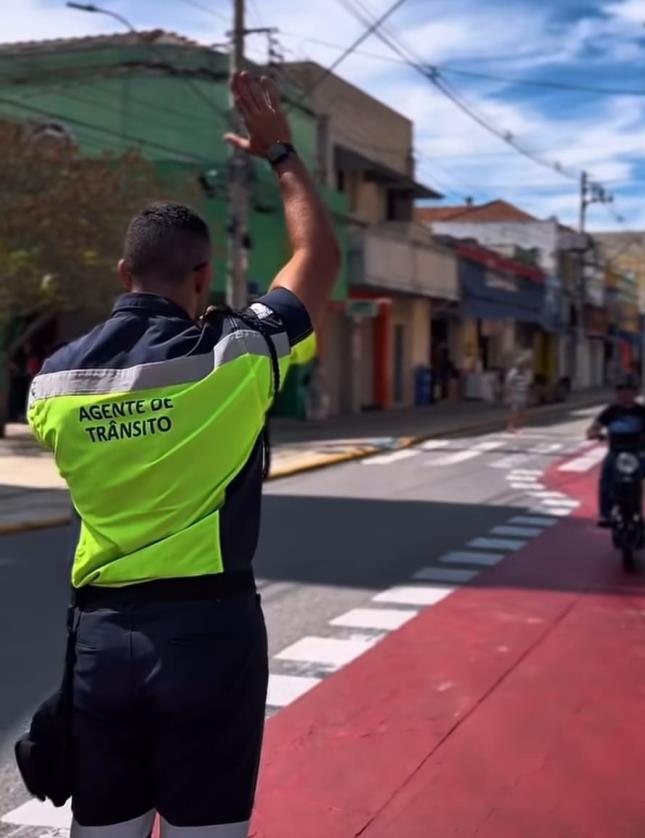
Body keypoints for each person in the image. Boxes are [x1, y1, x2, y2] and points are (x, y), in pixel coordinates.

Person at [26, 71, 340, 837]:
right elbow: (318, 258)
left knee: (105, 828)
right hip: (211, 635)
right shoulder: (236, 355)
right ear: (203, 277)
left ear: (122, 274)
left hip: (100, 640)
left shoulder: (53, 381)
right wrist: (283, 155)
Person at [586, 376, 645, 529]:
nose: (624, 394)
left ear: (635, 393)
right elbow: (595, 426)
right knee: (606, 476)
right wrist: (593, 432)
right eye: (620, 390)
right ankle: (605, 514)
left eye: (628, 390)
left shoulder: (643, 410)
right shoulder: (611, 411)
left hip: (639, 453)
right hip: (616, 453)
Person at [505, 356, 531, 433]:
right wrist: (509, 396)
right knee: (515, 412)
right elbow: (508, 384)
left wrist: (527, 393)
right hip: (515, 395)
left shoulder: (522, 373)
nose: (524, 366)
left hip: (522, 395)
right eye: (522, 365)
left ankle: (518, 427)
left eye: (524, 365)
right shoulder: (513, 373)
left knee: (521, 412)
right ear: (518, 365)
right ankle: (510, 427)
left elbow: (525, 384)